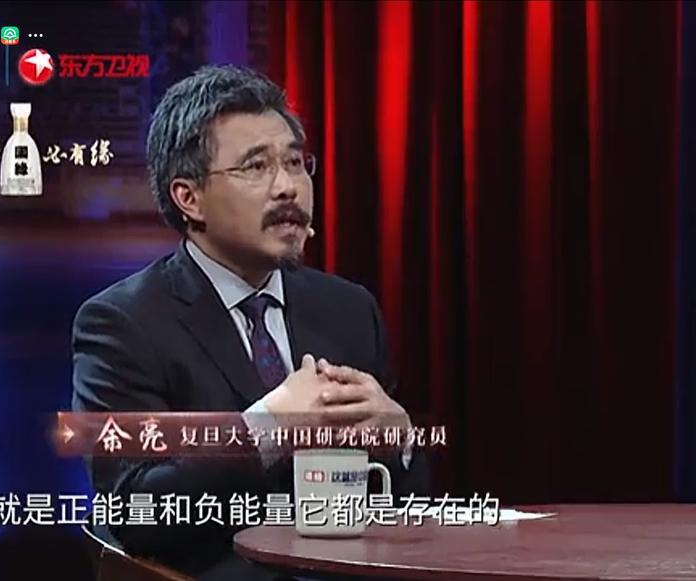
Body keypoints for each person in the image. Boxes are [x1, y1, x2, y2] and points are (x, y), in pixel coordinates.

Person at [72, 65, 429, 579]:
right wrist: (266, 428)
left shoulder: (349, 309)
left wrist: (399, 441)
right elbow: (132, 511)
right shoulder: (123, 323)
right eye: (256, 167)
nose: (288, 188)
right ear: (188, 197)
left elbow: (402, 512)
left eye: (295, 163)